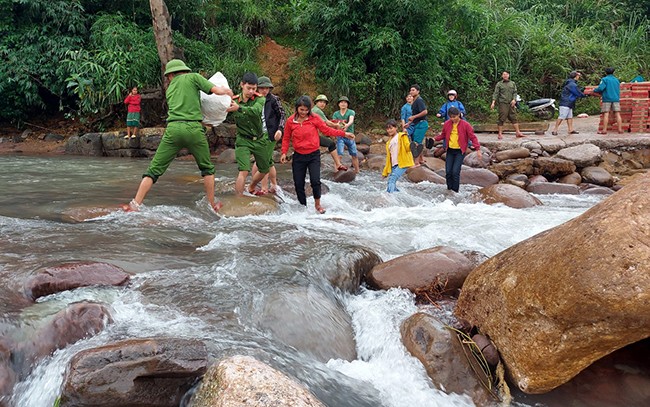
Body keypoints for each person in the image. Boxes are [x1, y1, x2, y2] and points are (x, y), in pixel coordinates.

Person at [124, 59, 233, 212]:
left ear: (171, 74)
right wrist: (227, 92)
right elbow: (216, 91)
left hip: (173, 130)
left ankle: (134, 204)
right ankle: (212, 204)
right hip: (194, 129)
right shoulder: (194, 77)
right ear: (183, 70)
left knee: (153, 170)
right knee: (207, 169)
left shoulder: (170, 89)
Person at [281, 96, 353, 213]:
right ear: (297, 109)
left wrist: (344, 134)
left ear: (309, 109)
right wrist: (284, 152)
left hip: (313, 155)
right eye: (301, 110)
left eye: (306, 110)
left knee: (315, 181)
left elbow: (326, 130)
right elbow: (286, 137)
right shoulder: (290, 121)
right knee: (299, 183)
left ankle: (317, 205)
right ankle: (303, 207)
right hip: (299, 156)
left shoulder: (314, 118)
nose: (304, 112)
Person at [227, 72, 275, 196]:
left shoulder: (260, 99)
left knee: (264, 169)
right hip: (243, 140)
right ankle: (239, 198)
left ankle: (252, 186)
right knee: (243, 171)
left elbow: (256, 111)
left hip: (259, 140)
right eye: (249, 88)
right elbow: (219, 111)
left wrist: (239, 108)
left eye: (254, 88)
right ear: (242, 85)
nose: (251, 91)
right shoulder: (233, 101)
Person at [434, 107, 482, 193]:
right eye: (451, 117)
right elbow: (443, 135)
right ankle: (449, 190)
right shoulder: (447, 124)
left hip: (460, 151)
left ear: (459, 115)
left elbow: (472, 137)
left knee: (455, 172)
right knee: (448, 172)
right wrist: (435, 139)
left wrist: (478, 149)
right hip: (450, 150)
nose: (453, 119)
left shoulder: (466, 125)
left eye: (454, 116)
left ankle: (455, 192)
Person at [250, 76, 285, 193]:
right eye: (262, 88)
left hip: (271, 134)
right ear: (257, 88)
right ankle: (274, 184)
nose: (264, 90)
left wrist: (280, 129)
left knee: (263, 161)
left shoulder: (274, 99)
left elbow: (282, 115)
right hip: (258, 134)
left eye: (267, 88)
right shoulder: (253, 99)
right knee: (268, 161)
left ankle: (264, 187)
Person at [312, 94, 348, 171]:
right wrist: (337, 125)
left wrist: (334, 124)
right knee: (331, 144)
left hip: (312, 136)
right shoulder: (317, 111)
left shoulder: (314, 110)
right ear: (316, 103)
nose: (323, 104)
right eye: (321, 102)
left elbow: (324, 123)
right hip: (312, 137)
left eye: (324, 102)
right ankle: (338, 164)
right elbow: (327, 123)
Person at [382, 119, 414, 192]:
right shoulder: (388, 142)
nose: (389, 130)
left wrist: (412, 146)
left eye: (391, 128)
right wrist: (385, 172)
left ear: (396, 128)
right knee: (391, 182)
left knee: (392, 179)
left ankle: (390, 197)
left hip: (402, 163)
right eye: (387, 129)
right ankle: (398, 196)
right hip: (394, 165)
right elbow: (388, 158)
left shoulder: (402, 136)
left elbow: (407, 147)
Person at [490, 71, 524, 139]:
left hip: (511, 103)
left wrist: (514, 100)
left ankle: (518, 132)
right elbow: (496, 93)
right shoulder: (499, 84)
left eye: (506, 74)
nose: (505, 75)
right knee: (502, 118)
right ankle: (500, 134)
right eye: (504, 74)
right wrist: (493, 102)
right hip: (503, 103)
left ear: (508, 75)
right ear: (502, 76)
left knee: (513, 117)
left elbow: (515, 92)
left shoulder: (512, 83)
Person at [551, 71, 587, 136]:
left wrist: (582, 90)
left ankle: (570, 129)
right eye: (578, 76)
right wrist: (585, 95)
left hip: (568, 102)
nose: (579, 77)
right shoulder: (572, 84)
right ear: (575, 77)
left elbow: (576, 91)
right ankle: (555, 130)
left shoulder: (570, 83)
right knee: (562, 116)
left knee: (569, 117)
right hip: (566, 102)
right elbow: (577, 93)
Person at [332, 96, 360, 173]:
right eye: (341, 102)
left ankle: (357, 171)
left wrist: (346, 125)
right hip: (340, 136)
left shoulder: (351, 112)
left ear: (347, 104)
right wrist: (340, 128)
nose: (343, 104)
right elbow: (335, 124)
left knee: (354, 154)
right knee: (339, 154)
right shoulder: (336, 114)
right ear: (339, 104)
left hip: (350, 136)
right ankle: (336, 171)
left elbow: (351, 120)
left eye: (345, 102)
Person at [592, 67, 623, 135]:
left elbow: (600, 88)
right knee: (617, 113)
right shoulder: (616, 80)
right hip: (616, 98)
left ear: (606, 73)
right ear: (613, 72)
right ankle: (620, 129)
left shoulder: (604, 79)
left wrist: (594, 90)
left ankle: (604, 130)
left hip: (607, 98)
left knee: (606, 114)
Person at [405, 84, 428, 165]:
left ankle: (416, 162)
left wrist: (413, 117)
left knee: (416, 143)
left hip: (422, 124)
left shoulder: (419, 100)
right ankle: (421, 159)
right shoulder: (414, 101)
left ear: (418, 91)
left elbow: (425, 111)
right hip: (417, 123)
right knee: (418, 141)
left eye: (413, 90)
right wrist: (408, 123)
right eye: (411, 90)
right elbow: (414, 117)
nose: (411, 92)